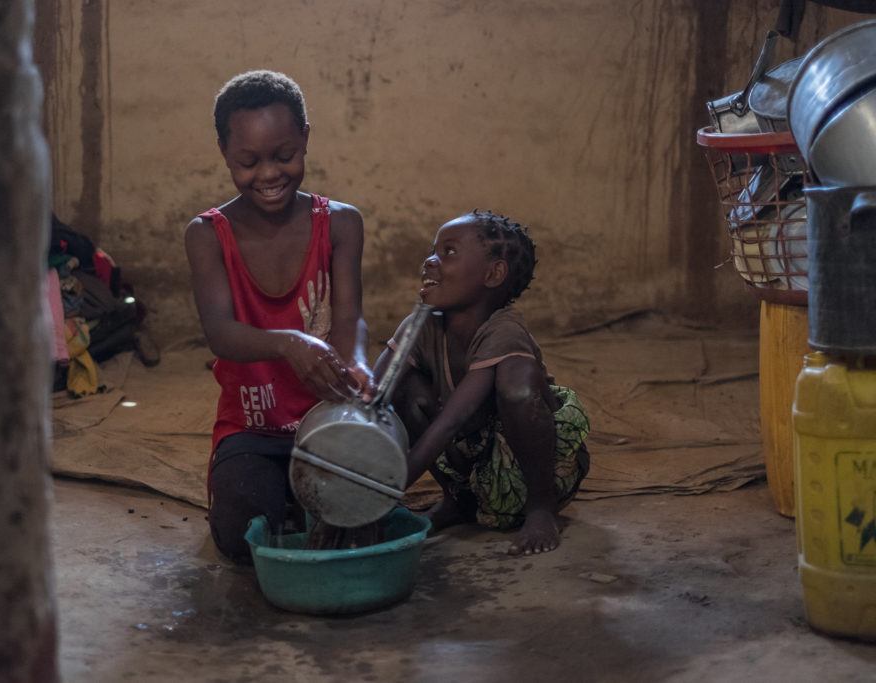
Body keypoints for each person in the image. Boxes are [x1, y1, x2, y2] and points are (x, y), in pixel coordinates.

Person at [185, 70, 371, 563]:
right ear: (224, 152)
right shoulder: (208, 234)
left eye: (284, 155)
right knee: (240, 538)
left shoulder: (341, 224)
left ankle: (299, 494)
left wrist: (358, 365)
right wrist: (290, 342)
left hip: (329, 419)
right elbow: (221, 333)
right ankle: (282, 492)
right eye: (248, 161)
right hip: (253, 429)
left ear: (306, 137)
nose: (268, 174)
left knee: (363, 525)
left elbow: (351, 318)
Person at [377, 210, 590, 555]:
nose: (429, 261)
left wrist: (383, 494)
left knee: (517, 384)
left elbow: (451, 423)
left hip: (532, 471)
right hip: (472, 466)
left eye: (448, 252)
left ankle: (541, 508)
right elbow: (374, 394)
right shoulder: (420, 325)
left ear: (493, 274)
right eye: (433, 250)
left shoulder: (504, 330)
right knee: (404, 387)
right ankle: (458, 499)